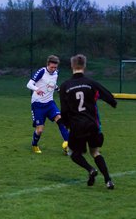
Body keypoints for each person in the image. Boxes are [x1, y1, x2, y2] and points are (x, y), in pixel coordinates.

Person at [59, 54, 117, 189]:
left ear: (71, 66)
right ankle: (108, 180)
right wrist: (112, 102)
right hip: (92, 124)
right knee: (95, 152)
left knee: (73, 153)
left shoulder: (65, 86)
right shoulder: (91, 83)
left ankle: (91, 170)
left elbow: (64, 109)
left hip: (77, 126)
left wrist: (67, 124)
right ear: (84, 66)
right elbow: (106, 94)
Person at [26, 55, 69, 154]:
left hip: (49, 103)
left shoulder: (56, 73)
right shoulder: (42, 71)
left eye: (55, 67)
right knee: (40, 130)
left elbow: (52, 84)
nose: (53, 69)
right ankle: (34, 145)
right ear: (47, 65)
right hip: (37, 104)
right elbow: (29, 84)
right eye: (52, 67)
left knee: (60, 119)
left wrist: (58, 89)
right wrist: (37, 89)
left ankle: (67, 145)